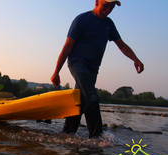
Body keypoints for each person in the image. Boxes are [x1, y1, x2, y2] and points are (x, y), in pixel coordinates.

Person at [51, 0, 144, 138]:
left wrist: (135, 59)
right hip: (77, 63)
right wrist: (56, 71)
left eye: (111, 7)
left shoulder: (108, 24)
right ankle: (97, 137)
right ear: (96, 2)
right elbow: (67, 46)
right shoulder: (82, 19)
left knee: (80, 100)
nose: (108, 10)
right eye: (105, 5)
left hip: (93, 69)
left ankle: (67, 134)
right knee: (91, 95)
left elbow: (121, 45)